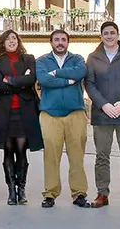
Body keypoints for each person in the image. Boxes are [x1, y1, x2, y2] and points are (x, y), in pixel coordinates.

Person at [85, 21, 120, 210]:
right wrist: (104, 105)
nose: (109, 36)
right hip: (102, 115)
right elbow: (90, 84)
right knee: (102, 156)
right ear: (101, 36)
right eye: (105, 33)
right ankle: (102, 193)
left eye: (112, 33)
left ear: (117, 35)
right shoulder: (93, 58)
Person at [36, 30, 90, 209]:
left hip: (75, 113)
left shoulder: (77, 59)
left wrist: (56, 73)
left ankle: (79, 193)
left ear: (68, 42)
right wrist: (67, 81)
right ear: (50, 42)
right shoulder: (42, 61)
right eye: (56, 40)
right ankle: (50, 194)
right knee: (51, 156)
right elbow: (43, 80)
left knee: (77, 156)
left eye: (63, 40)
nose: (60, 43)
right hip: (50, 114)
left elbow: (80, 72)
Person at [0, 30, 43, 206]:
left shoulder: (28, 58)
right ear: (2, 43)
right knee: (7, 150)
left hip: (24, 110)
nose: (11, 41)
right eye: (7, 39)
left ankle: (21, 190)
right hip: (5, 111)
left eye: (14, 38)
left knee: (21, 150)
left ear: (18, 41)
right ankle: (11, 191)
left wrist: (10, 80)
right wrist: (20, 81)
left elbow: (31, 80)